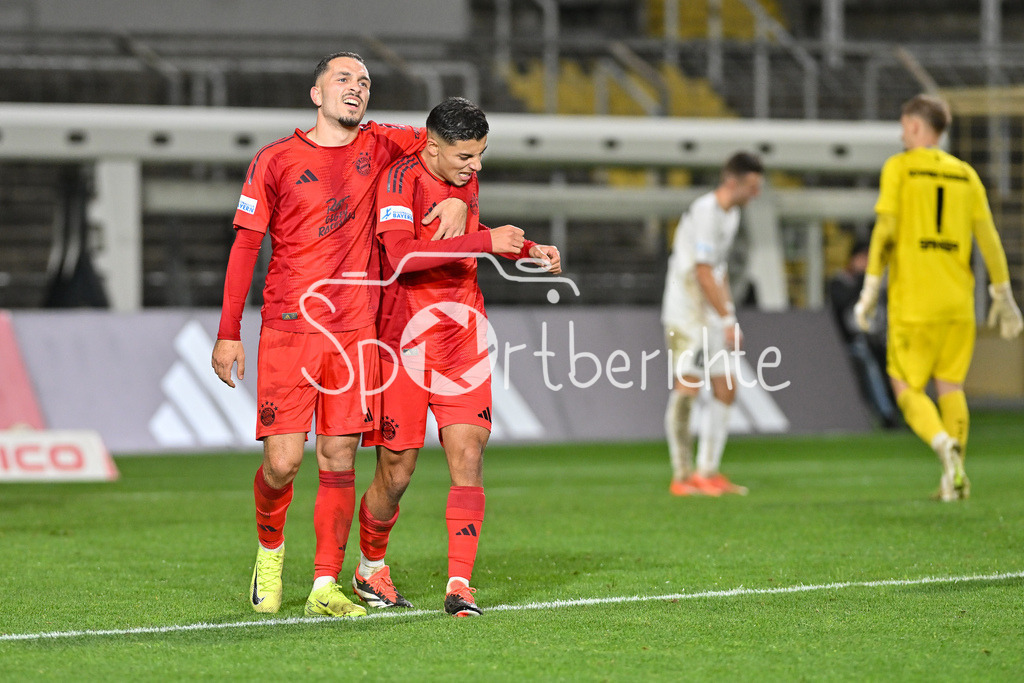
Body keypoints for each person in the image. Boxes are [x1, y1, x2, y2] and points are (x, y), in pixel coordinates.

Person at [210, 52, 468, 618]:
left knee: (338, 459)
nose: (356, 88)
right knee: (282, 464)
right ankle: (270, 550)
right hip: (289, 328)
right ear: (316, 93)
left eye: (365, 82)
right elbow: (246, 246)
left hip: (355, 332)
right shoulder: (274, 160)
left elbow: (453, 148)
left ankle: (325, 584)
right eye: (343, 79)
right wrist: (229, 332)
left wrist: (458, 194)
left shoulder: (384, 143)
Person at [349, 97, 561, 617]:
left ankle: (460, 584)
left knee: (468, 457)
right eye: (466, 155)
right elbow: (401, 257)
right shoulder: (399, 181)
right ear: (432, 147)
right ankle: (370, 568)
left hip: (462, 338)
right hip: (403, 342)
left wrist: (527, 248)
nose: (476, 166)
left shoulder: (464, 178)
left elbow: (468, 241)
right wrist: (487, 240)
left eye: (481, 154)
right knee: (396, 472)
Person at [854, 93, 1023, 501]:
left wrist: (870, 289)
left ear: (915, 126)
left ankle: (942, 443)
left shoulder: (899, 168)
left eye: (904, 127)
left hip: (915, 302)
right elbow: (990, 240)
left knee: (905, 388)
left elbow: (885, 231)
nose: (901, 135)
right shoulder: (966, 175)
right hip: (958, 304)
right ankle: (955, 477)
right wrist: (1004, 296)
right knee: (952, 387)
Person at [662, 152, 764, 497]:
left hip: (709, 311)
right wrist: (728, 318)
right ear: (732, 181)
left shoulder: (731, 215)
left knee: (726, 387)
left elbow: (717, 271)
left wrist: (727, 313)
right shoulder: (705, 211)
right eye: (752, 186)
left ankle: (707, 471)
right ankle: (681, 476)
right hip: (685, 312)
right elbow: (702, 271)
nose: (756, 194)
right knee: (688, 386)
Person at [828, 240, 900, 428]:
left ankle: (902, 409)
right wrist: (862, 280)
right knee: (869, 363)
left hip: (877, 339)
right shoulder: (840, 281)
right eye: (863, 257)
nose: (866, 262)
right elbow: (841, 303)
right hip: (850, 341)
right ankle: (887, 413)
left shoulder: (876, 282)